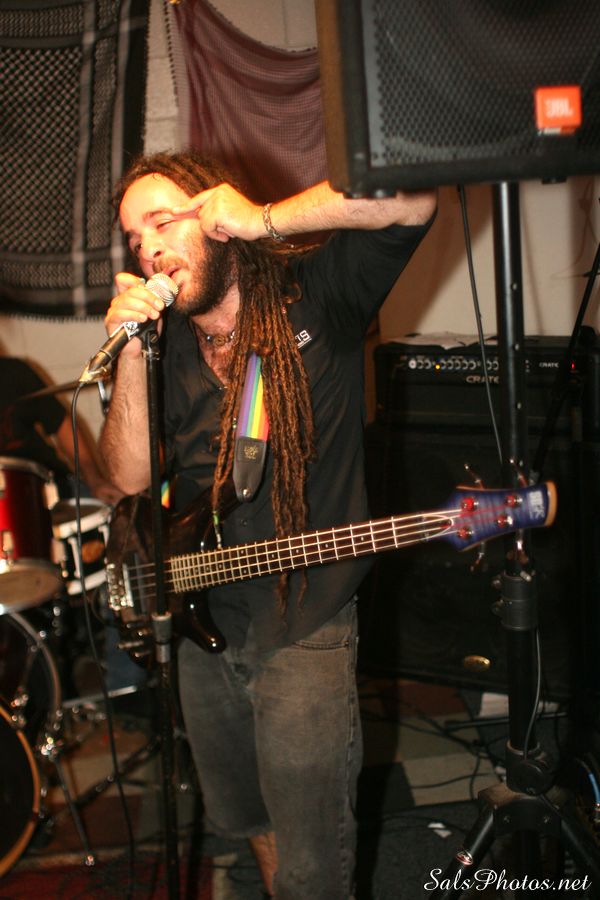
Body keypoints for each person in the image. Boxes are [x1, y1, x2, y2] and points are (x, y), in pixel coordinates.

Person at [99, 150, 436, 899]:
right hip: (201, 618)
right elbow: (127, 479)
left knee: (314, 861)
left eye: (163, 221)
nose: (148, 247)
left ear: (214, 217)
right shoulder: (163, 344)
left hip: (305, 620)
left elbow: (411, 198)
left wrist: (262, 219)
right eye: (133, 237)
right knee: (246, 814)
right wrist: (128, 354)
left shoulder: (317, 294)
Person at [0, 355, 121, 506]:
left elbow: (61, 425)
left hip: (52, 483)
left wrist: (94, 480)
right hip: (10, 500)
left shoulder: (14, 371)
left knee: (114, 508)